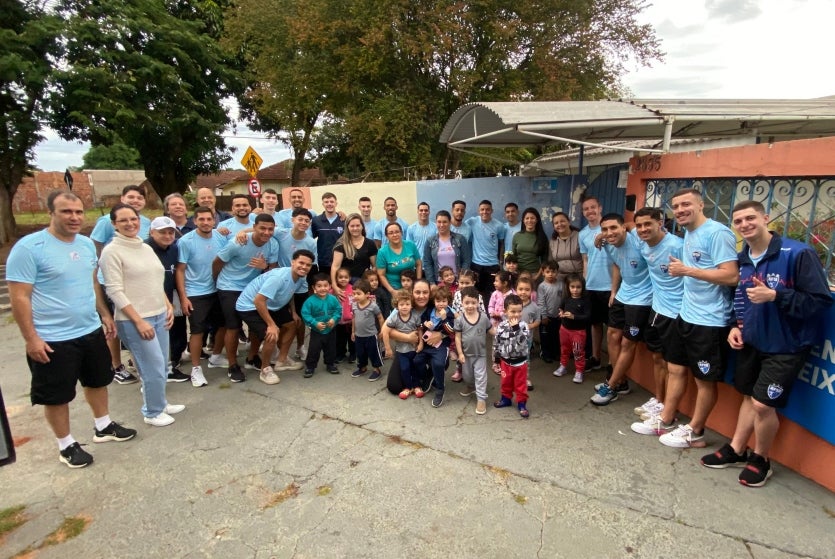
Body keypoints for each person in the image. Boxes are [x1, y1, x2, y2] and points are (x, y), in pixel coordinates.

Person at [700, 200, 832, 487]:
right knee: (748, 396)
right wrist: (736, 326)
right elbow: (740, 299)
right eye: (738, 221)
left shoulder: (798, 253)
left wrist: (776, 296)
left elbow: (820, 301)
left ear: (766, 218)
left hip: (787, 346)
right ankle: (736, 449)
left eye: (750, 218)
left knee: (762, 405)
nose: (745, 225)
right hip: (752, 342)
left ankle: (761, 459)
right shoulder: (743, 258)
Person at [7, 191, 136, 468]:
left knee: (97, 380)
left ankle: (103, 425)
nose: (74, 217)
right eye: (66, 212)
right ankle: (66, 444)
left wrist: (104, 314)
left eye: (79, 212)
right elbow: (19, 297)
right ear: (50, 212)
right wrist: (31, 339)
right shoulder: (30, 248)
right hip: (52, 338)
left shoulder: (87, 245)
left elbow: (91, 283)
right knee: (57, 394)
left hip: (89, 330)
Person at [657, 188, 739, 449]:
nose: (680, 210)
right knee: (676, 369)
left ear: (701, 205)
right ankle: (666, 418)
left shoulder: (718, 233)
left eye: (686, 204)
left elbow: (731, 276)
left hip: (711, 320)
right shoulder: (689, 233)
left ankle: (696, 431)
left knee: (704, 380)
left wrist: (686, 270)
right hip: (687, 314)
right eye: (676, 206)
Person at [100, 204, 183, 427]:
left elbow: (157, 281)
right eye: (123, 220)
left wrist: (167, 306)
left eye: (133, 219)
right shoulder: (112, 251)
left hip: (159, 314)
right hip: (134, 319)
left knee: (161, 363)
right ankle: (152, 412)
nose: (130, 224)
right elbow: (114, 290)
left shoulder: (144, 247)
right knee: (152, 366)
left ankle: (160, 402)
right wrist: (138, 320)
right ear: (114, 224)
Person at [628, 207, 684, 426]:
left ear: (660, 223)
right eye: (639, 225)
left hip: (676, 313)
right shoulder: (642, 242)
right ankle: (659, 400)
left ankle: (670, 410)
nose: (643, 229)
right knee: (657, 357)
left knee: (673, 365)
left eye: (647, 224)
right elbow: (627, 229)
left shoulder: (676, 247)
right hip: (656, 309)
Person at [590, 213, 653, 406]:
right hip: (623, 294)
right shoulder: (607, 245)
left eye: (613, 228)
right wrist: (613, 291)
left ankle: (611, 386)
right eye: (604, 229)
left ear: (624, 227)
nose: (609, 233)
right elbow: (617, 264)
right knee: (612, 335)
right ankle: (620, 381)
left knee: (628, 343)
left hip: (642, 298)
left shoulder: (638, 240)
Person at [91, 184, 151, 385]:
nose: (135, 201)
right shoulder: (107, 221)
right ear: (122, 198)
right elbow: (96, 247)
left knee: (137, 325)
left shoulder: (146, 222)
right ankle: (115, 365)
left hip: (137, 283)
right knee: (115, 326)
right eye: (131, 197)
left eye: (139, 198)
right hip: (113, 283)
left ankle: (138, 362)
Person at [213, 213, 279, 382]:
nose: (266, 232)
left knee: (257, 326)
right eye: (262, 228)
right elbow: (217, 262)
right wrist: (217, 284)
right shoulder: (238, 242)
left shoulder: (272, 244)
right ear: (254, 227)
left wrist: (264, 267)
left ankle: (251, 357)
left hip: (253, 288)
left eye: (270, 229)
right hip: (230, 286)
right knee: (233, 327)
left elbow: (272, 271)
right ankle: (233, 365)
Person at [236, 250, 315, 384]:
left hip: (271, 305)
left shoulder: (301, 277)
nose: (304, 267)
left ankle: (281, 361)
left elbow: (291, 293)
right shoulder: (279, 277)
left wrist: (294, 312)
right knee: (271, 333)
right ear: (293, 262)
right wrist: (271, 325)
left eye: (308, 265)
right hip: (249, 306)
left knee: (293, 324)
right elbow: (258, 301)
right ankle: (265, 369)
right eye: (301, 263)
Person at [175, 206, 229, 387]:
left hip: (219, 289)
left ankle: (215, 357)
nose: (206, 222)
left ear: (214, 220)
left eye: (209, 219)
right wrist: (184, 297)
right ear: (194, 221)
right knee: (197, 331)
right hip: (196, 293)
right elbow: (180, 271)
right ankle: (196, 369)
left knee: (223, 325)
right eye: (201, 219)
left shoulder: (220, 237)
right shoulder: (185, 241)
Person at [145, 216, 189, 382]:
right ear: (152, 232)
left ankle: (171, 366)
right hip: (149, 302)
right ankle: (152, 377)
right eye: (162, 232)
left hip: (171, 297)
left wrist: (181, 298)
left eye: (171, 232)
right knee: (153, 340)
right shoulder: (144, 248)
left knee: (176, 332)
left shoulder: (174, 248)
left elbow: (178, 271)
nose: (168, 235)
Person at [272, 208, 317, 361]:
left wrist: (312, 287)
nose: (303, 223)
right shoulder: (281, 233)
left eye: (307, 221)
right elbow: (260, 230)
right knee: (281, 318)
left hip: (301, 286)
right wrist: (242, 233)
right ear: (292, 220)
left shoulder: (310, 242)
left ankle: (300, 347)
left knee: (300, 319)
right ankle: (278, 349)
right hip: (282, 284)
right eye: (300, 219)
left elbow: (312, 266)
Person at [578, 197, 612, 371]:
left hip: (610, 286)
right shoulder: (582, 234)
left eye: (593, 207)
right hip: (592, 285)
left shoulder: (610, 228)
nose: (590, 211)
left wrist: (605, 233)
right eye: (586, 209)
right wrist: (585, 281)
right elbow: (585, 259)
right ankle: (596, 357)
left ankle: (613, 363)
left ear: (600, 208)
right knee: (595, 324)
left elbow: (628, 226)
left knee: (612, 329)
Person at [455, 286, 495, 415]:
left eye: (473, 302)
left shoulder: (483, 317)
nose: (470, 306)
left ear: (478, 303)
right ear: (462, 303)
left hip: (480, 354)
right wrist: (460, 353)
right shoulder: (460, 319)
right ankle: (471, 387)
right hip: (465, 355)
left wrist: (502, 331)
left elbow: (491, 330)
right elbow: (457, 337)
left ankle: (481, 398)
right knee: (467, 376)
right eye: (467, 303)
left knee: (480, 376)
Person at [415, 287, 456, 408]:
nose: (441, 304)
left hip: (442, 345)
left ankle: (440, 389)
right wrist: (425, 324)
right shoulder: (430, 310)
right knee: (417, 360)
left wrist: (444, 319)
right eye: (438, 301)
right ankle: (429, 376)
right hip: (428, 342)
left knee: (438, 364)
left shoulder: (450, 314)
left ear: (448, 301)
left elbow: (450, 330)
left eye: (444, 301)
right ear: (434, 302)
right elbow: (421, 323)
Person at [492, 294, 532, 418]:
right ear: (505, 311)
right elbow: (497, 342)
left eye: (519, 311)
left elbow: (523, 343)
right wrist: (496, 358)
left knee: (521, 385)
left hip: (520, 363)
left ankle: (521, 404)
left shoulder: (523, 326)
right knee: (506, 383)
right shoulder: (501, 326)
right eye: (513, 311)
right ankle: (506, 399)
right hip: (506, 362)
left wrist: (516, 329)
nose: (516, 314)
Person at [383, 289, 424, 399]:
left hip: (414, 349)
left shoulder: (415, 316)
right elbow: (385, 331)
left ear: (411, 305)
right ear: (396, 306)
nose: (405, 307)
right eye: (401, 304)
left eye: (407, 304)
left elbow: (420, 330)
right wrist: (388, 348)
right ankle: (408, 387)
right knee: (405, 368)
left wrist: (421, 344)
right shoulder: (395, 317)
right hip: (401, 351)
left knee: (414, 367)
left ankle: (417, 386)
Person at [301, 274, 342, 377]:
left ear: (330, 286)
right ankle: (310, 366)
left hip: (331, 329)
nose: (323, 288)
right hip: (317, 331)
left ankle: (330, 364)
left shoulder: (333, 299)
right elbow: (305, 314)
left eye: (325, 285)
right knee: (314, 349)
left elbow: (338, 310)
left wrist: (334, 319)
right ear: (314, 288)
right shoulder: (310, 301)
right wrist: (315, 323)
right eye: (319, 286)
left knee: (331, 348)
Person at [555, 274, 591, 384]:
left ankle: (579, 370)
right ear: (568, 287)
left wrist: (574, 317)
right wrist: (561, 313)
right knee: (564, 349)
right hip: (564, 329)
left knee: (578, 351)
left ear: (582, 287)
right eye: (572, 287)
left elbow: (588, 316)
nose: (575, 290)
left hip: (578, 332)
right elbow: (561, 307)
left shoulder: (585, 301)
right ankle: (563, 366)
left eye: (578, 287)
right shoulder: (566, 298)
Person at [466, 200, 506, 297]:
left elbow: (501, 244)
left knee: (491, 293)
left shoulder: (499, 226)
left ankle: (490, 312)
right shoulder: (472, 222)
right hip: (476, 264)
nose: (485, 212)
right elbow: (459, 225)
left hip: (492, 265)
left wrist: (500, 262)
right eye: (482, 209)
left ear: (492, 211)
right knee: (475, 292)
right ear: (478, 211)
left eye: (487, 209)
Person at [349, 279, 385, 381]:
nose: (355, 296)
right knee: (360, 353)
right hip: (358, 335)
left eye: (358, 294)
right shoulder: (354, 305)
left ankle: (376, 370)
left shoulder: (373, 306)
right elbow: (354, 318)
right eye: (354, 294)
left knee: (373, 353)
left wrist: (382, 331)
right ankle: (362, 368)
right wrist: (353, 332)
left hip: (371, 335)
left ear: (367, 294)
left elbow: (380, 318)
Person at [331, 213, 378, 291]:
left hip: (364, 285)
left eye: (357, 225)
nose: (355, 228)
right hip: (345, 285)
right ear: (347, 227)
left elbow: (375, 266)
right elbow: (335, 267)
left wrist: (369, 275)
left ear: (362, 226)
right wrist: (334, 286)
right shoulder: (340, 244)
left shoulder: (370, 243)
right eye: (352, 226)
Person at [423, 210, 470, 284]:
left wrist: (462, 279)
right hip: (439, 282)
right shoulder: (430, 241)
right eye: (439, 222)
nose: (441, 225)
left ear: (450, 222)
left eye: (444, 222)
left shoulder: (460, 239)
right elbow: (427, 263)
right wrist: (431, 283)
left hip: (457, 281)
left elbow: (466, 260)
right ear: (436, 222)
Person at [376, 222, 422, 294]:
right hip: (393, 289)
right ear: (386, 236)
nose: (395, 235)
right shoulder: (382, 252)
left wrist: (418, 283)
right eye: (391, 233)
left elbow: (419, 264)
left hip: (412, 287)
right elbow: (381, 275)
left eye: (397, 232)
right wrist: (392, 291)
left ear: (401, 233)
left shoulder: (411, 245)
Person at [311, 192, 345, 278]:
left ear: (336, 203)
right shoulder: (316, 221)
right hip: (323, 262)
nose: (329, 204)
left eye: (331, 201)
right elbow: (310, 238)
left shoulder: (343, 220)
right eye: (326, 202)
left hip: (342, 261)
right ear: (323, 204)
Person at [516, 276, 541, 390]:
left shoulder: (534, 307)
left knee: (525, 359)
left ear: (531, 291)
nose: (523, 292)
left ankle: (525, 378)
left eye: (527, 289)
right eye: (520, 289)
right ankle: (513, 378)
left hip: (527, 339)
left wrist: (530, 326)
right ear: (516, 289)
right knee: (512, 358)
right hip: (512, 338)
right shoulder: (512, 304)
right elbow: (505, 317)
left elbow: (538, 321)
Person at [537, 260, 562, 363]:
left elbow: (562, 299)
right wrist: (543, 316)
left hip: (557, 316)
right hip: (546, 317)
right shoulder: (542, 287)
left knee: (556, 336)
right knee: (545, 337)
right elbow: (541, 302)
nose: (550, 274)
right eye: (547, 272)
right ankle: (545, 353)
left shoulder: (561, 284)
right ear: (543, 272)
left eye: (553, 271)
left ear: (557, 272)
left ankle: (556, 353)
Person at [512, 207, 548, 279]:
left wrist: (537, 276)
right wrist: (516, 273)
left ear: (537, 220)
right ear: (523, 220)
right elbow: (514, 257)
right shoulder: (517, 236)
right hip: (518, 274)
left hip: (535, 274)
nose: (529, 220)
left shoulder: (542, 237)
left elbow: (545, 261)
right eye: (527, 218)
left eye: (532, 218)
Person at [549, 212, 582, 281]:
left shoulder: (580, 236)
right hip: (559, 278)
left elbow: (587, 259)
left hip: (577, 278)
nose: (559, 224)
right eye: (556, 223)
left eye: (562, 221)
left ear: (569, 222)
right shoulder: (552, 242)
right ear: (554, 226)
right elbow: (551, 262)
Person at [332, 267, 355, 363]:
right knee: (339, 340)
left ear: (349, 278)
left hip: (350, 321)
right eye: (340, 277)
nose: (343, 279)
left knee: (352, 339)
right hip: (338, 321)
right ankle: (340, 354)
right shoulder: (333, 291)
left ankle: (353, 354)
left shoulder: (353, 289)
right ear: (336, 278)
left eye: (346, 277)